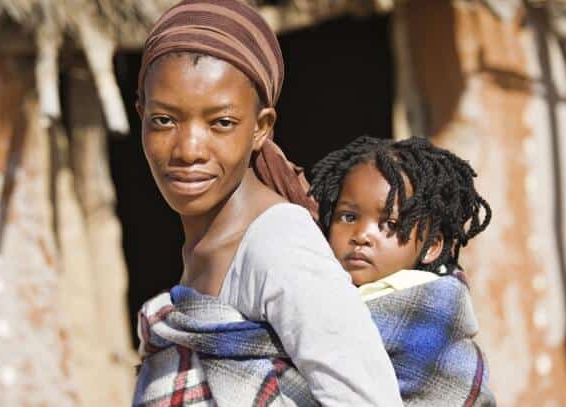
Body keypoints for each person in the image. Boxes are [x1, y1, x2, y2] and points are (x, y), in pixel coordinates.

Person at [133, 1, 402, 406]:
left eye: (221, 123)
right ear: (141, 115)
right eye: (164, 120)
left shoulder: (277, 244)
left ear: (261, 128)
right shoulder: (207, 245)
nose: (188, 150)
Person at [309, 135, 495, 405]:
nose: (362, 235)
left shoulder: (432, 311)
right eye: (348, 217)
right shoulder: (310, 288)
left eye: (390, 224)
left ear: (431, 246)